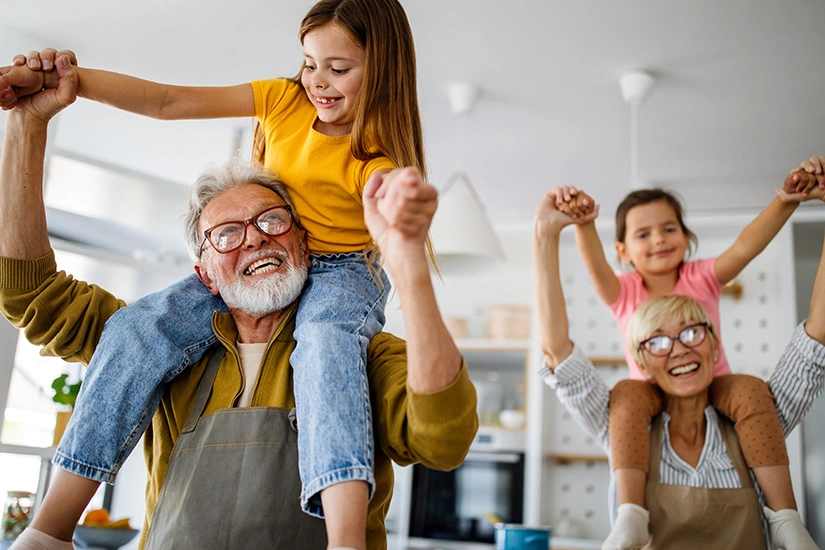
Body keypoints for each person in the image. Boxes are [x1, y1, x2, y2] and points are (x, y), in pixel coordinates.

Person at [0, 55, 478, 550]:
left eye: (272, 221)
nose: (254, 240)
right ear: (203, 272)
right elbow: (29, 294)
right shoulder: (150, 342)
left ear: (305, 242)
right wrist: (27, 124)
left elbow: (445, 439)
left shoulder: (360, 353)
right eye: (227, 233)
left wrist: (406, 260)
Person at [533, 188, 825, 550]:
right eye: (656, 341)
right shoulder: (628, 426)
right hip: (643, 394)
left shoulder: (754, 420)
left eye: (692, 332)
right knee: (628, 393)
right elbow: (560, 348)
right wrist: (577, 225)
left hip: (721, 387)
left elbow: (749, 249)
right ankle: (631, 514)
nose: (679, 350)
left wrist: (786, 200)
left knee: (750, 388)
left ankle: (785, 518)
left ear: (715, 342)